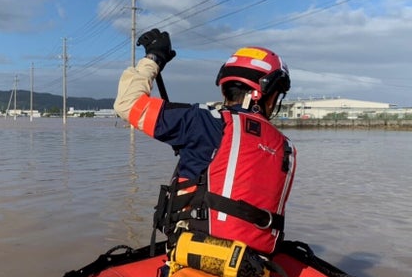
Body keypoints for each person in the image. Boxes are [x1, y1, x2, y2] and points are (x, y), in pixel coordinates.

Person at [114, 29, 296, 262]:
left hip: (197, 258)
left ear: (225, 87)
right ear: (267, 94)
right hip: (256, 266)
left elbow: (127, 103)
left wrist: (154, 59)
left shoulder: (205, 121)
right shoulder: (285, 147)